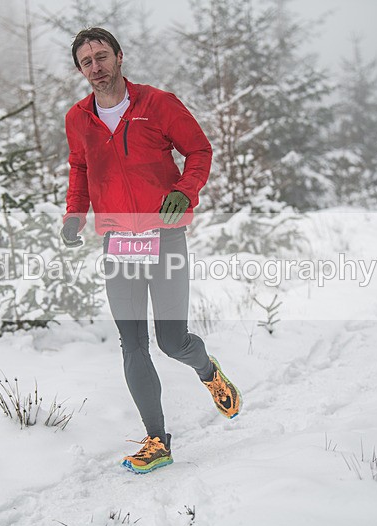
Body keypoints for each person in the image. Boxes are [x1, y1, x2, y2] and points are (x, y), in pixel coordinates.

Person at [60, 27, 241, 474]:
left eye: (102, 56)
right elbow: (79, 169)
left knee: (171, 340)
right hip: (118, 238)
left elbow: (199, 150)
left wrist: (185, 190)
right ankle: (157, 441)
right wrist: (74, 213)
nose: (96, 67)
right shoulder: (78, 118)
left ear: (119, 57)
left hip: (164, 232)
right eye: (87, 62)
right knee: (132, 343)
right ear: (80, 70)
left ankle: (207, 371)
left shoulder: (158, 104)